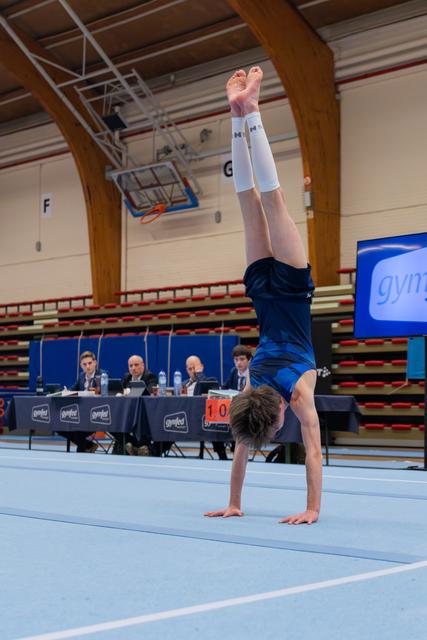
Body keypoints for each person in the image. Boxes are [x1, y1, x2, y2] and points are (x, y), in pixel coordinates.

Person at [205, 67, 322, 524]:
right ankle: (238, 114)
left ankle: (250, 110)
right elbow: (241, 444)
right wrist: (234, 501)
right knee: (249, 202)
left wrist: (313, 508)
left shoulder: (298, 396)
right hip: (260, 291)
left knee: (272, 201)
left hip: (292, 291)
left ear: (277, 419)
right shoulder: (252, 385)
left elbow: (313, 452)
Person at [110, 354, 158, 455]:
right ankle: (131, 443)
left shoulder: (150, 376)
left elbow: (148, 392)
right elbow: (121, 392)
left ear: (143, 365)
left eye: (136, 365)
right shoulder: (127, 377)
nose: (133, 368)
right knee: (110, 420)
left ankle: (134, 445)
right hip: (126, 412)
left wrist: (128, 392)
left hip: (144, 414)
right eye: (131, 366)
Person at [57, 350, 103, 453]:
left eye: (90, 363)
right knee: (58, 426)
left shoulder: (103, 375)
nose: (88, 366)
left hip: (96, 415)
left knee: (77, 427)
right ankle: (88, 445)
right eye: (84, 364)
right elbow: (71, 391)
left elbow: (105, 395)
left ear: (95, 362)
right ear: (81, 365)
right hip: (81, 415)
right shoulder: (81, 377)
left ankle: (82, 449)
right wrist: (65, 392)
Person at [183, 355, 228, 461]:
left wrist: (199, 374)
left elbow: (212, 393)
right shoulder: (182, 384)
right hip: (186, 418)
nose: (193, 371)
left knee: (215, 424)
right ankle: (156, 451)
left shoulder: (210, 381)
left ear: (201, 367)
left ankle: (222, 456)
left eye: (195, 368)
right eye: (190, 369)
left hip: (203, 419)